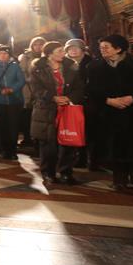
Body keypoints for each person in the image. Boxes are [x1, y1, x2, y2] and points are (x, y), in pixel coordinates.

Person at [87, 34, 133, 193]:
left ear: (118, 48)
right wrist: (108, 100)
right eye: (101, 47)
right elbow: (91, 90)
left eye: (106, 47)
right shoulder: (94, 67)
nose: (102, 50)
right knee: (116, 148)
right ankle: (119, 181)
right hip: (109, 113)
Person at [30, 41, 85, 185]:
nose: (63, 53)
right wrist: (53, 97)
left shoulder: (71, 66)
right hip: (46, 109)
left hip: (67, 108)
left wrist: (68, 98)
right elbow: (36, 89)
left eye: (62, 51)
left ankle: (66, 173)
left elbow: (80, 87)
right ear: (49, 54)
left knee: (68, 141)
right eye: (59, 51)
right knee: (48, 144)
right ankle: (48, 173)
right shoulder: (38, 68)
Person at [0, 45, 26, 160]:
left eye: (6, 53)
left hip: (15, 100)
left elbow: (21, 80)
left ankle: (13, 150)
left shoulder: (15, 66)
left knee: (13, 126)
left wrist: (12, 89)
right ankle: (4, 150)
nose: (3, 55)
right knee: (2, 126)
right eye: (1, 53)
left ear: (9, 55)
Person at [63, 39, 95, 169]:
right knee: (74, 131)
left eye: (76, 48)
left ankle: (92, 159)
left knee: (90, 131)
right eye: (70, 48)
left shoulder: (91, 63)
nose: (73, 50)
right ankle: (78, 158)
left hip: (89, 102)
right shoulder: (64, 64)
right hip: (71, 102)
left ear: (83, 49)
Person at [19, 37, 46, 147]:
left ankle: (39, 139)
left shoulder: (47, 56)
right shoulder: (26, 57)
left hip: (44, 88)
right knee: (28, 114)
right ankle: (27, 137)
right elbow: (22, 71)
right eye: (36, 44)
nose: (38, 47)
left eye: (41, 44)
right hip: (29, 88)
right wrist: (31, 80)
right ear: (32, 46)